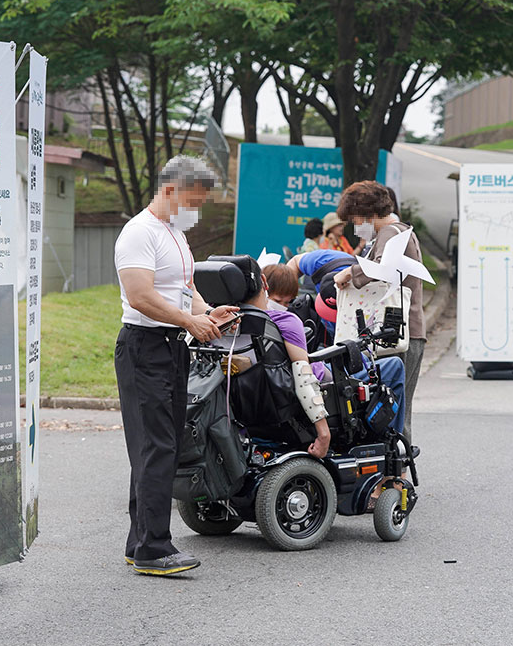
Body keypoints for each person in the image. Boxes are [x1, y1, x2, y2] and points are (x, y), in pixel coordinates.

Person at [114, 155, 238, 576]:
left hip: (172, 346)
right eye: (193, 200)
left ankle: (140, 543)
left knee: (161, 445)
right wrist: (190, 321)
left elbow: (184, 288)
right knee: (156, 447)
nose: (196, 211)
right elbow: (140, 296)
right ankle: (154, 548)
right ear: (169, 190)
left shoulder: (174, 234)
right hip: (143, 346)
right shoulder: (139, 232)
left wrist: (209, 312)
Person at [258, 263, 406, 438]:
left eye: (288, 302)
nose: (283, 306)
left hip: (291, 377)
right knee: (394, 365)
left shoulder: (232, 322)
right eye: (278, 301)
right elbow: (303, 369)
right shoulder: (287, 321)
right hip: (320, 376)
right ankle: (393, 437)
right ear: (265, 288)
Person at [332, 180, 425, 444]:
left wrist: (350, 273)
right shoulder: (397, 231)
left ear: (368, 214)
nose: (355, 225)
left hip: (400, 331)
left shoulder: (391, 233)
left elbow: (381, 268)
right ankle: (393, 476)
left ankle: (395, 477)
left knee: (391, 408)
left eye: (355, 219)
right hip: (403, 331)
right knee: (392, 406)